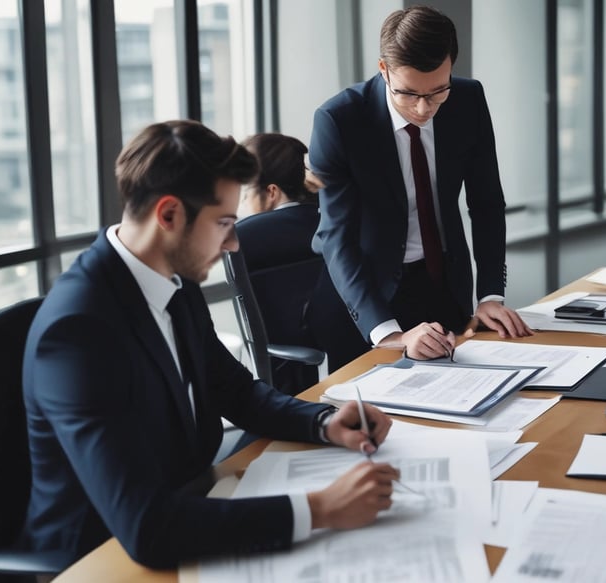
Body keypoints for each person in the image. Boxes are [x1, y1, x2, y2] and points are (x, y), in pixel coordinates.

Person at [21, 120, 397, 570]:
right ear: (168, 215)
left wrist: (324, 421)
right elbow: (145, 527)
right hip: (100, 557)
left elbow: (236, 390)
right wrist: (319, 509)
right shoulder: (77, 331)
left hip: (195, 502)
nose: (235, 242)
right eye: (224, 223)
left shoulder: (173, 281)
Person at [309, 5, 533, 361]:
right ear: (384, 69)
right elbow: (336, 236)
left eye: (437, 91)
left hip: (443, 286)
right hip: (368, 298)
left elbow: (487, 202)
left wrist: (490, 295)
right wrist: (389, 333)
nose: (424, 107)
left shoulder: (468, 100)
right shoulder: (339, 121)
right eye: (409, 93)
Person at [235, 133, 370, 383]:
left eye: (245, 194)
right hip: (360, 363)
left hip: (294, 378)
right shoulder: (339, 221)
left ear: (272, 191)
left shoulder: (244, 236)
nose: (240, 205)